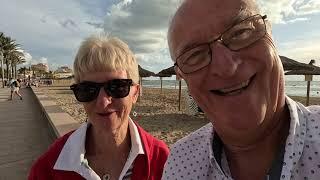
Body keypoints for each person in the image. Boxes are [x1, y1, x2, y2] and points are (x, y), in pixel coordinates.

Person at [162, 0, 320, 179]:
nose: (226, 68)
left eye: (240, 32)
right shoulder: (180, 162)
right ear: (182, 75)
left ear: (270, 33)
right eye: (195, 55)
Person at [28, 35, 169, 180]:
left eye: (116, 87)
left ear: (135, 93)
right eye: (88, 89)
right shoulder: (48, 168)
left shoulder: (162, 161)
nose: (103, 102)